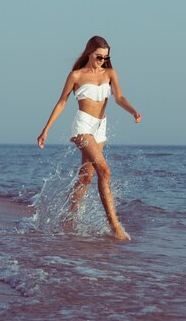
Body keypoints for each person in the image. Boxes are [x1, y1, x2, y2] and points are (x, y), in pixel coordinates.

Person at [37, 36, 141, 240]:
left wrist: (133, 111)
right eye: (98, 56)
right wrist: (45, 130)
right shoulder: (75, 76)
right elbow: (61, 103)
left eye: (106, 57)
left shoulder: (110, 73)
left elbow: (119, 97)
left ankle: (70, 217)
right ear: (89, 53)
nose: (102, 60)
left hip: (100, 127)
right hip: (82, 125)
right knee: (105, 170)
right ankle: (115, 226)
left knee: (87, 176)